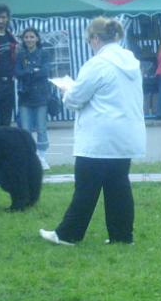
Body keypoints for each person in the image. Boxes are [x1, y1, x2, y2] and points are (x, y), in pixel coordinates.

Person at [40, 17, 146, 246]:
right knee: (118, 185)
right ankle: (122, 235)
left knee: (86, 188)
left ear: (96, 39)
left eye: (90, 40)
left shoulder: (97, 64)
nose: (90, 44)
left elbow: (76, 98)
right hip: (125, 134)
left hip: (99, 135)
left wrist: (66, 90)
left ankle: (68, 234)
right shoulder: (130, 61)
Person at [15, 27, 52, 170]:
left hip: (41, 96)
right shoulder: (20, 54)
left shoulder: (44, 53)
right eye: (26, 37)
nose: (29, 39)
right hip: (25, 97)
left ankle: (42, 157)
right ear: (23, 40)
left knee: (41, 128)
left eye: (32, 37)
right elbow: (17, 72)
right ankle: (29, 156)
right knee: (25, 129)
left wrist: (29, 72)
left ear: (37, 38)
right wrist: (32, 71)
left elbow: (45, 71)